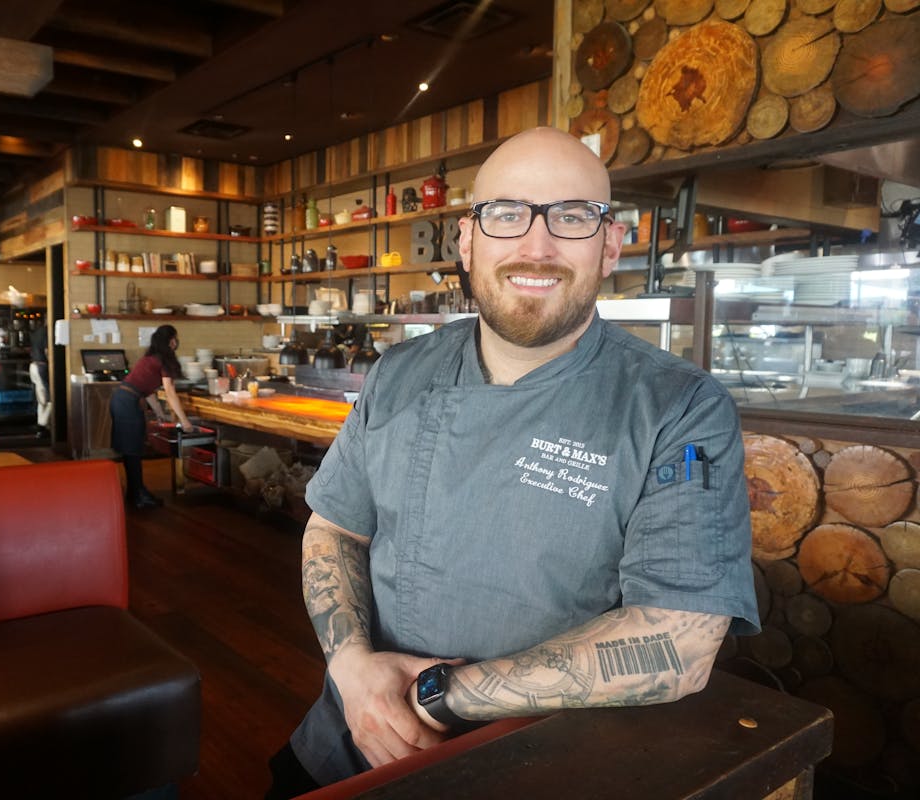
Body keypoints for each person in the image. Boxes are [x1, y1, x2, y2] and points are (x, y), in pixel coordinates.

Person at [269, 127, 760, 796]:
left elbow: (681, 641)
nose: (537, 245)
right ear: (467, 240)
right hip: (348, 736)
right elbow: (334, 529)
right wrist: (352, 668)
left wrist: (437, 697)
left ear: (611, 244)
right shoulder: (399, 372)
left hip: (539, 763)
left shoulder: (678, 405)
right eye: (506, 214)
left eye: (572, 216)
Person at [110, 324, 194, 509]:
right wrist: (185, 421)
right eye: (175, 338)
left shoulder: (150, 358)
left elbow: (148, 391)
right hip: (128, 403)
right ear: (171, 341)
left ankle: (135, 493)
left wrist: (160, 413)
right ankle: (139, 495)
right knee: (133, 449)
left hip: (121, 399)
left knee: (130, 450)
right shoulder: (164, 360)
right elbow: (170, 392)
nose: (176, 342)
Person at [28, 318, 51, 436]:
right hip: (42, 367)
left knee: (41, 399)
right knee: (50, 399)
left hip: (33, 366)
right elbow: (47, 351)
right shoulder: (48, 331)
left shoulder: (37, 331)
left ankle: (42, 424)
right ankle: (42, 426)